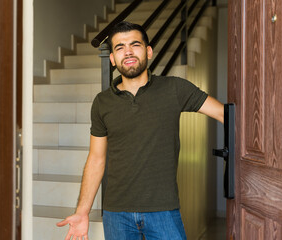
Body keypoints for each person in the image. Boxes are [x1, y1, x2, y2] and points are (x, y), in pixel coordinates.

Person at [56, 21, 224, 240]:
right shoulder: (102, 102)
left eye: (135, 44)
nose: (128, 51)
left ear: (148, 51)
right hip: (116, 213)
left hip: (164, 210)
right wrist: (82, 211)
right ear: (113, 59)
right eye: (119, 47)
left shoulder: (174, 89)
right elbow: (96, 158)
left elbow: (225, 114)